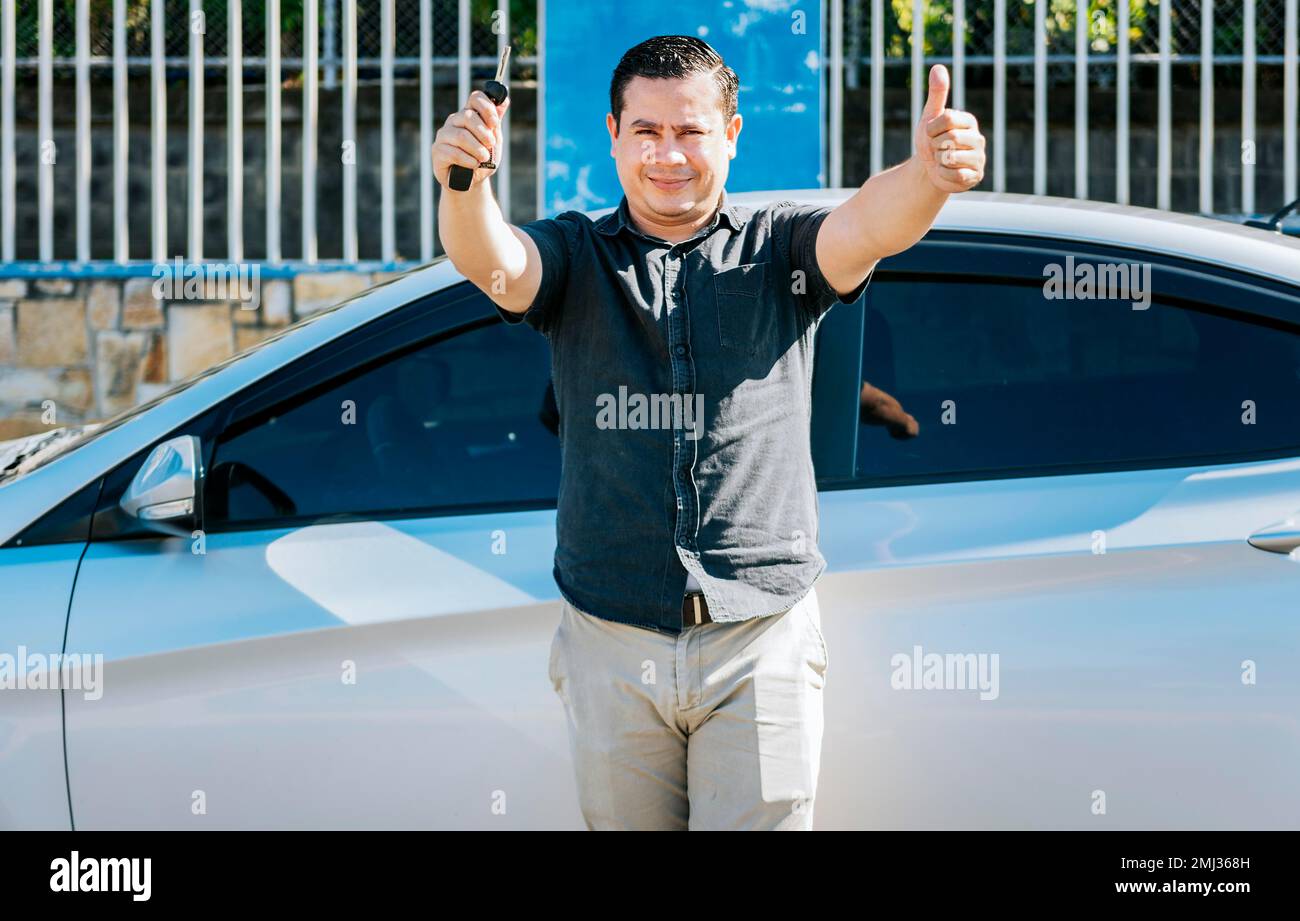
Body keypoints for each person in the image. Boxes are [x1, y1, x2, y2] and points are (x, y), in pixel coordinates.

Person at [433, 34, 985, 830]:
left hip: (758, 636)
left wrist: (929, 179)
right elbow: (495, 260)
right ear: (614, 137)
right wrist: (463, 186)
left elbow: (868, 224)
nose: (668, 154)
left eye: (690, 131)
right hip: (611, 634)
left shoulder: (782, 249)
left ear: (731, 135)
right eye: (646, 131)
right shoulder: (577, 256)